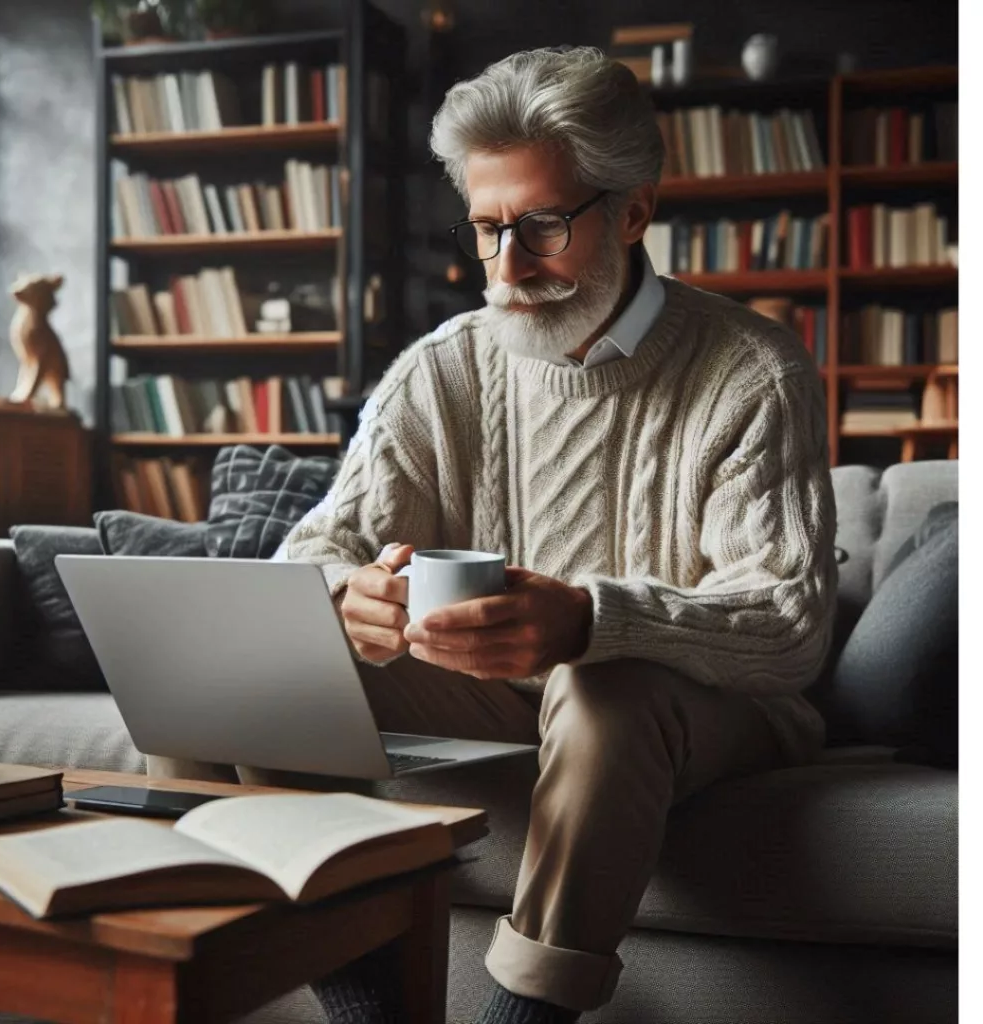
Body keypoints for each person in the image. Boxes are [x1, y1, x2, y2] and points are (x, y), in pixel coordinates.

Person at [154, 45, 838, 1024]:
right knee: (248, 663)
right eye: (486, 228)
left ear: (633, 211)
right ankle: (374, 1008)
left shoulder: (750, 370)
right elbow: (313, 552)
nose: (507, 267)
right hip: (504, 693)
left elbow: (788, 622)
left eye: (542, 227)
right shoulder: (446, 368)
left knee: (602, 684)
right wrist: (348, 599)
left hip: (707, 705)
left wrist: (588, 621)